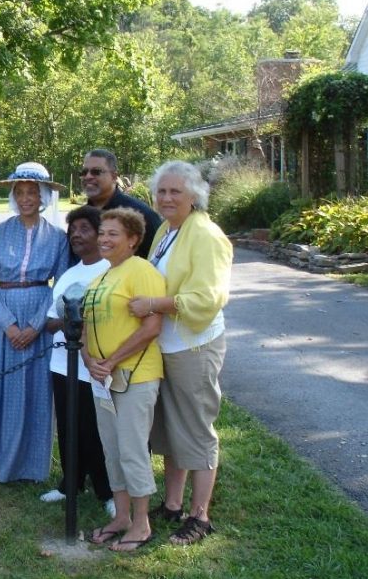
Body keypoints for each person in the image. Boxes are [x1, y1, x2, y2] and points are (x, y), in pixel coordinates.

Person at [128, 161, 232, 545]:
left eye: (175, 192)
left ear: (194, 196)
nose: (167, 198)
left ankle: (199, 516)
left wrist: (153, 303)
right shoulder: (166, 231)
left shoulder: (206, 235)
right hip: (164, 346)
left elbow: (207, 298)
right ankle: (172, 504)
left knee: (196, 429)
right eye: (161, 191)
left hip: (193, 345)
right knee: (171, 430)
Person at [0, 162, 68, 483]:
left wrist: (34, 326)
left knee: (33, 390)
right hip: (1, 320)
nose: (26, 198)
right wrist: (8, 323)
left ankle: (29, 465)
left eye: (32, 192)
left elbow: (60, 286)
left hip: (40, 318)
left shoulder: (58, 238)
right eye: (20, 192)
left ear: (44, 195)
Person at [82, 208, 165, 552]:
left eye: (113, 233)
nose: (104, 238)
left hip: (135, 375)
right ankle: (121, 516)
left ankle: (142, 523)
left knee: (132, 450)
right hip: (102, 378)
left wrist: (113, 360)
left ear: (133, 240)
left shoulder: (141, 271)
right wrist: (91, 361)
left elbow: (152, 326)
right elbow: (87, 327)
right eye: (103, 232)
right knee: (112, 450)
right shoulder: (101, 277)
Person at [41, 205, 114, 516]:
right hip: (62, 363)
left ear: (100, 234)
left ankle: (107, 490)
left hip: (94, 365)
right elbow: (49, 321)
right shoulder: (70, 273)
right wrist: (68, 321)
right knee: (68, 427)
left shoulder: (111, 270)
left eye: (84, 228)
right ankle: (70, 483)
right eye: (72, 230)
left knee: (95, 430)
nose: (76, 235)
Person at [80, 149, 161, 258]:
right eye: (84, 172)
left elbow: (157, 260)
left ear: (114, 177)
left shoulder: (142, 214)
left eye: (96, 172)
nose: (88, 176)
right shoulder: (80, 216)